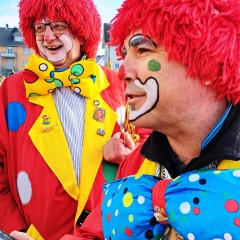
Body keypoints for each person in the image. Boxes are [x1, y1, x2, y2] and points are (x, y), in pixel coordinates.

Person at [57, 0, 240, 239]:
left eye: (142, 50)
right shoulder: (133, 164)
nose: (122, 71)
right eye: (124, 54)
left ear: (209, 61)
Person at [0, 0, 150, 239]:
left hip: (107, 229)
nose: (48, 36)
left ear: (82, 30)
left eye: (58, 26)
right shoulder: (11, 91)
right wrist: (15, 227)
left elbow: (151, 147)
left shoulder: (119, 84)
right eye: (40, 28)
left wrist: (130, 155)